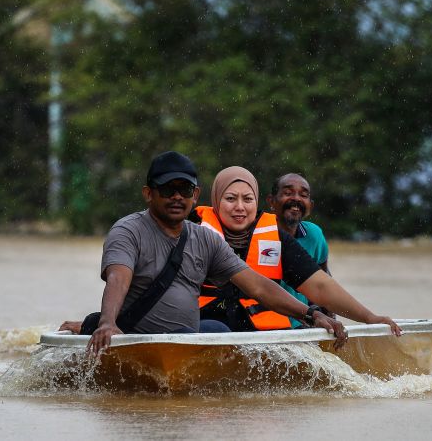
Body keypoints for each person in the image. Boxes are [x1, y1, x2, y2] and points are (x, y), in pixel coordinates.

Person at [60, 152, 348, 355]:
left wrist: (312, 314)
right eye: (167, 189)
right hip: (142, 332)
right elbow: (118, 278)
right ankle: (92, 324)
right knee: (212, 324)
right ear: (149, 193)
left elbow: (259, 286)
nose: (176, 196)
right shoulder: (128, 230)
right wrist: (108, 323)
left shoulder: (205, 238)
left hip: (193, 333)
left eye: (183, 189)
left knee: (217, 329)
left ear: (195, 195)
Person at [193, 166, 401, 335]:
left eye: (247, 199)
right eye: (230, 199)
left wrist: (369, 318)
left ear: (256, 203)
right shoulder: (193, 231)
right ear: (216, 200)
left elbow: (319, 286)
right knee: (215, 329)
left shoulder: (276, 237)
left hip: (263, 330)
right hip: (208, 326)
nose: (240, 207)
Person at [266, 173, 331, 328]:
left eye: (304, 195)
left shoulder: (315, 235)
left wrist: (328, 314)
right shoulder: (259, 233)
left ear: (310, 205)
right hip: (263, 325)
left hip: (301, 324)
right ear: (271, 201)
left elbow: (323, 280)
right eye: (288, 193)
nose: (296, 199)